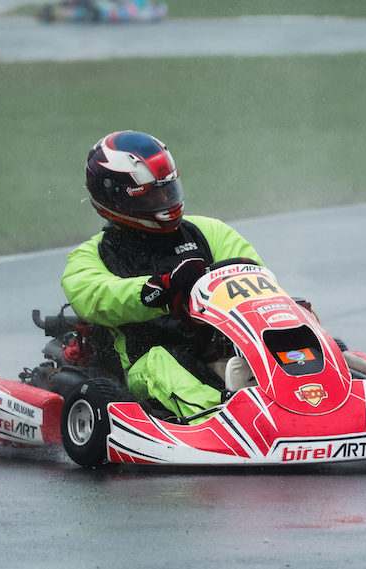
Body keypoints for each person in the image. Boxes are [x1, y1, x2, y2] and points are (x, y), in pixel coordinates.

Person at [61, 130, 262, 420]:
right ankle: (229, 419)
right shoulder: (89, 257)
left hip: (219, 348)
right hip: (147, 361)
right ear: (114, 198)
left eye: (169, 189)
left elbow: (256, 277)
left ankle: (318, 399)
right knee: (161, 362)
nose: (166, 199)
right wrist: (158, 289)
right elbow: (97, 298)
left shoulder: (209, 232)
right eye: (152, 194)